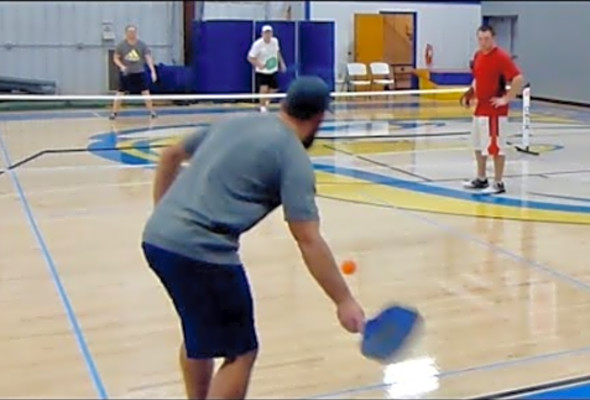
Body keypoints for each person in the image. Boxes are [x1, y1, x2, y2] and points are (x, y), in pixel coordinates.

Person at [141, 76, 365, 400]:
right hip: (203, 253)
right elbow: (308, 239)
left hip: (157, 240)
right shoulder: (292, 158)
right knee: (240, 351)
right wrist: (343, 300)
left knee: (198, 335)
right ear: (319, 118)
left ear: (285, 104)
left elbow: (170, 155)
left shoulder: (238, 121)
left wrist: (165, 215)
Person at [460, 25, 524, 194]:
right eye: (480, 39)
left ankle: (498, 182)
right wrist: (470, 93)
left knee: (496, 147)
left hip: (495, 112)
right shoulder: (478, 55)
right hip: (480, 109)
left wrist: (507, 98)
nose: (483, 42)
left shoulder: (501, 57)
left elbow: (518, 78)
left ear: (493, 38)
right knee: (478, 145)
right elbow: (478, 79)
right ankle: (481, 178)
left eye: (486, 39)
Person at [110, 25, 158, 120]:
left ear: (136, 33)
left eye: (133, 32)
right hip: (126, 73)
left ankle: (152, 112)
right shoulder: (121, 45)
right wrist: (121, 66)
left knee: (145, 92)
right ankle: (114, 113)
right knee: (120, 92)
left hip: (139, 72)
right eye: (129, 32)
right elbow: (115, 58)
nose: (132, 34)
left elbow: (148, 58)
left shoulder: (142, 45)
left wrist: (153, 71)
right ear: (126, 33)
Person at [247, 25, 287, 113]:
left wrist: (282, 64)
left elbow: (277, 52)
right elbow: (250, 57)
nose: (268, 35)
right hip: (261, 71)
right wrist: (259, 64)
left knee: (274, 88)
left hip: (273, 69)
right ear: (262, 34)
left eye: (269, 33)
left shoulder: (275, 41)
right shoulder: (257, 44)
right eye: (266, 33)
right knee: (264, 89)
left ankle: (265, 101)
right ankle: (262, 107)